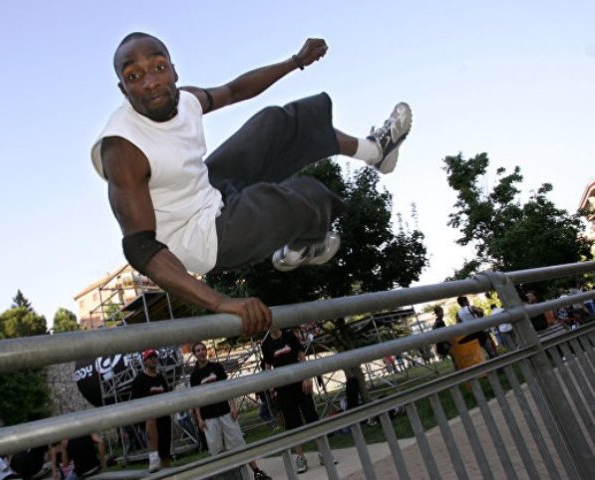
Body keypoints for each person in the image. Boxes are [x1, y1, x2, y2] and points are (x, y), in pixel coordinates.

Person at [91, 32, 413, 336]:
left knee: (275, 122)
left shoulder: (186, 99)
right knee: (306, 196)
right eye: (134, 76)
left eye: (159, 68)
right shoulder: (122, 149)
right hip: (200, 238)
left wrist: (295, 61)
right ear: (123, 89)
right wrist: (221, 302)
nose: (150, 83)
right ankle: (304, 245)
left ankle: (376, 151)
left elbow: (234, 90)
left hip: (210, 191)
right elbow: (141, 248)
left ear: (174, 71)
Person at [189, 341, 271, 480]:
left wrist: (233, 406)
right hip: (209, 417)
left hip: (224, 411)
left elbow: (227, 388)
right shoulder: (194, 376)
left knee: (239, 443)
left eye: (203, 349)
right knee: (216, 449)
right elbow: (196, 399)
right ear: (195, 354)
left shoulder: (216, 367)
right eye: (198, 350)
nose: (201, 352)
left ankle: (257, 472)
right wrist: (199, 418)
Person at [261, 327, 323, 474]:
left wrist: (306, 378)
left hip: (300, 383)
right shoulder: (266, 344)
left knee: (311, 417)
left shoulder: (289, 336)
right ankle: (300, 458)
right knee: (292, 423)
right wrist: (272, 388)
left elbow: (302, 357)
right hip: (283, 389)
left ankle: (323, 452)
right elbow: (268, 368)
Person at [131, 349, 172, 472]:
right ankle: (153, 460)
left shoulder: (161, 378)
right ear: (145, 361)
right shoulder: (139, 380)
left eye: (155, 357)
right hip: (149, 420)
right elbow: (135, 402)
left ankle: (167, 473)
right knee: (151, 423)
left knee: (165, 454)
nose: (153, 359)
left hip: (164, 418)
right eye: (150, 358)